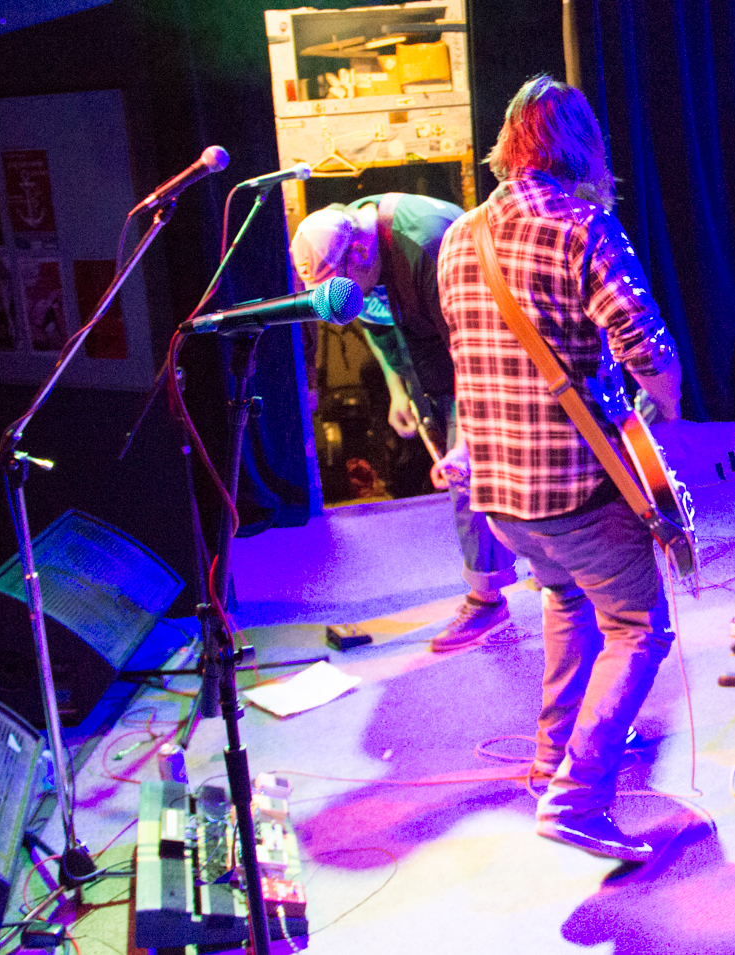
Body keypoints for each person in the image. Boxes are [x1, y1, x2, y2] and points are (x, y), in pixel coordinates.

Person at [435, 74, 682, 864]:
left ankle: (551, 760)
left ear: (508, 146)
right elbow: (645, 346)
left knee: (567, 597)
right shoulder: (584, 227)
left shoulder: (459, 237)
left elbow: (468, 362)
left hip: (500, 496)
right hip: (577, 488)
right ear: (583, 149)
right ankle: (578, 798)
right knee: (639, 628)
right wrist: (667, 409)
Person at [291, 193, 517, 652]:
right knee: (472, 481)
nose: (342, 298)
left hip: (486, 359)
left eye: (341, 284)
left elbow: (474, 346)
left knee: (471, 478)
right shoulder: (356, 243)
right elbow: (378, 324)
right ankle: (523, 575)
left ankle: (491, 598)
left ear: (359, 251)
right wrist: (399, 390)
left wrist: (465, 440)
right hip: (435, 361)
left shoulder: (428, 245)